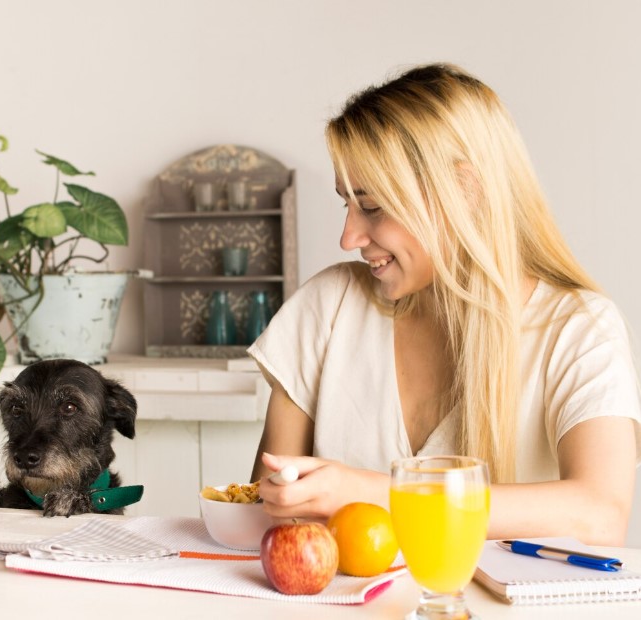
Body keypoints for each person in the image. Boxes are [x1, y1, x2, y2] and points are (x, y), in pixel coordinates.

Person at [249, 63, 641, 545]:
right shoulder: (327, 307)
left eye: (372, 206)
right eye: (345, 204)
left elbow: (599, 515)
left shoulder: (579, 330)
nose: (348, 236)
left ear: (465, 189)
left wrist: (374, 493)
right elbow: (264, 520)